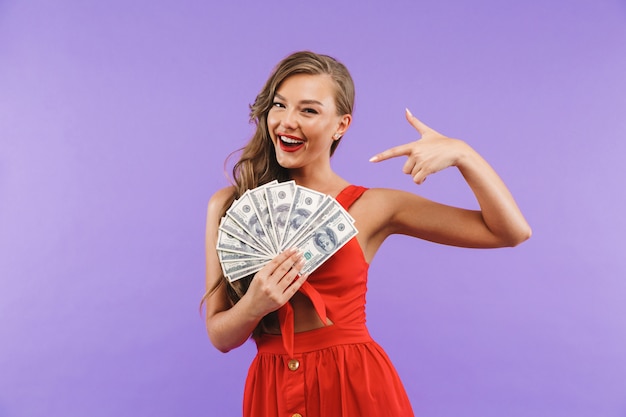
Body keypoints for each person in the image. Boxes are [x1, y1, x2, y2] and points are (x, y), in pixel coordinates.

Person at [203, 51, 531, 417]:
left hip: (354, 386)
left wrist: (463, 154)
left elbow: (510, 232)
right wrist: (253, 306)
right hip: (272, 390)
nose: (286, 122)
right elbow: (220, 336)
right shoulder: (229, 205)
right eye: (279, 105)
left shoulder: (374, 207)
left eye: (309, 110)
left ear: (341, 125)